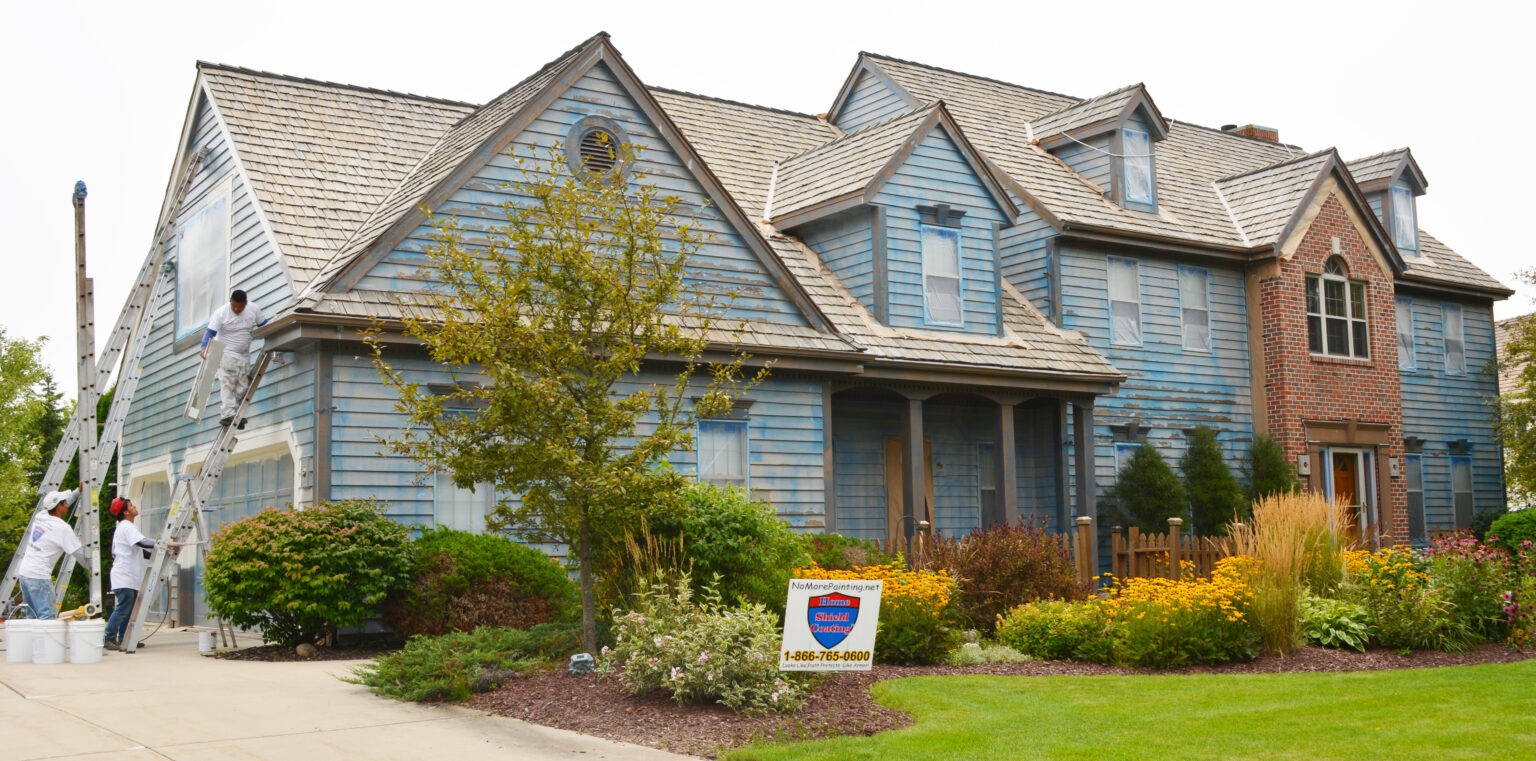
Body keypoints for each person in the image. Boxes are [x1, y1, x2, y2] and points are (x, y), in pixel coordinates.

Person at [16, 489, 89, 619]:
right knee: (47, 617)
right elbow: (79, 555)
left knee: (32, 617)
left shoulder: (41, 516)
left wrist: (78, 491)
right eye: (64, 503)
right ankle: (45, 640)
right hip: (39, 577)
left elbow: (58, 503)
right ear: (59, 507)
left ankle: (33, 640)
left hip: (25, 574)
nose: (67, 504)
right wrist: (94, 569)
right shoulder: (62, 528)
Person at [201, 289, 268, 427]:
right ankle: (227, 414)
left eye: (240, 307)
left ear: (246, 303)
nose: (237, 309)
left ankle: (234, 414)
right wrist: (204, 348)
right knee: (229, 382)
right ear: (230, 302)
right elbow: (210, 332)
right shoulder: (221, 313)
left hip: (244, 354)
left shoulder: (253, 309)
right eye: (234, 306)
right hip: (226, 352)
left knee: (243, 386)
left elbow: (264, 326)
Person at [104, 497, 157, 650]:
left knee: (128, 611)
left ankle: (125, 639)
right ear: (126, 512)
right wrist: (162, 543)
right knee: (123, 609)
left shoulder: (124, 527)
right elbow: (143, 542)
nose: (134, 507)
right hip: (124, 576)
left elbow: (140, 552)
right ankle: (109, 638)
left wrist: (160, 553)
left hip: (127, 577)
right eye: (131, 505)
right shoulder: (127, 526)